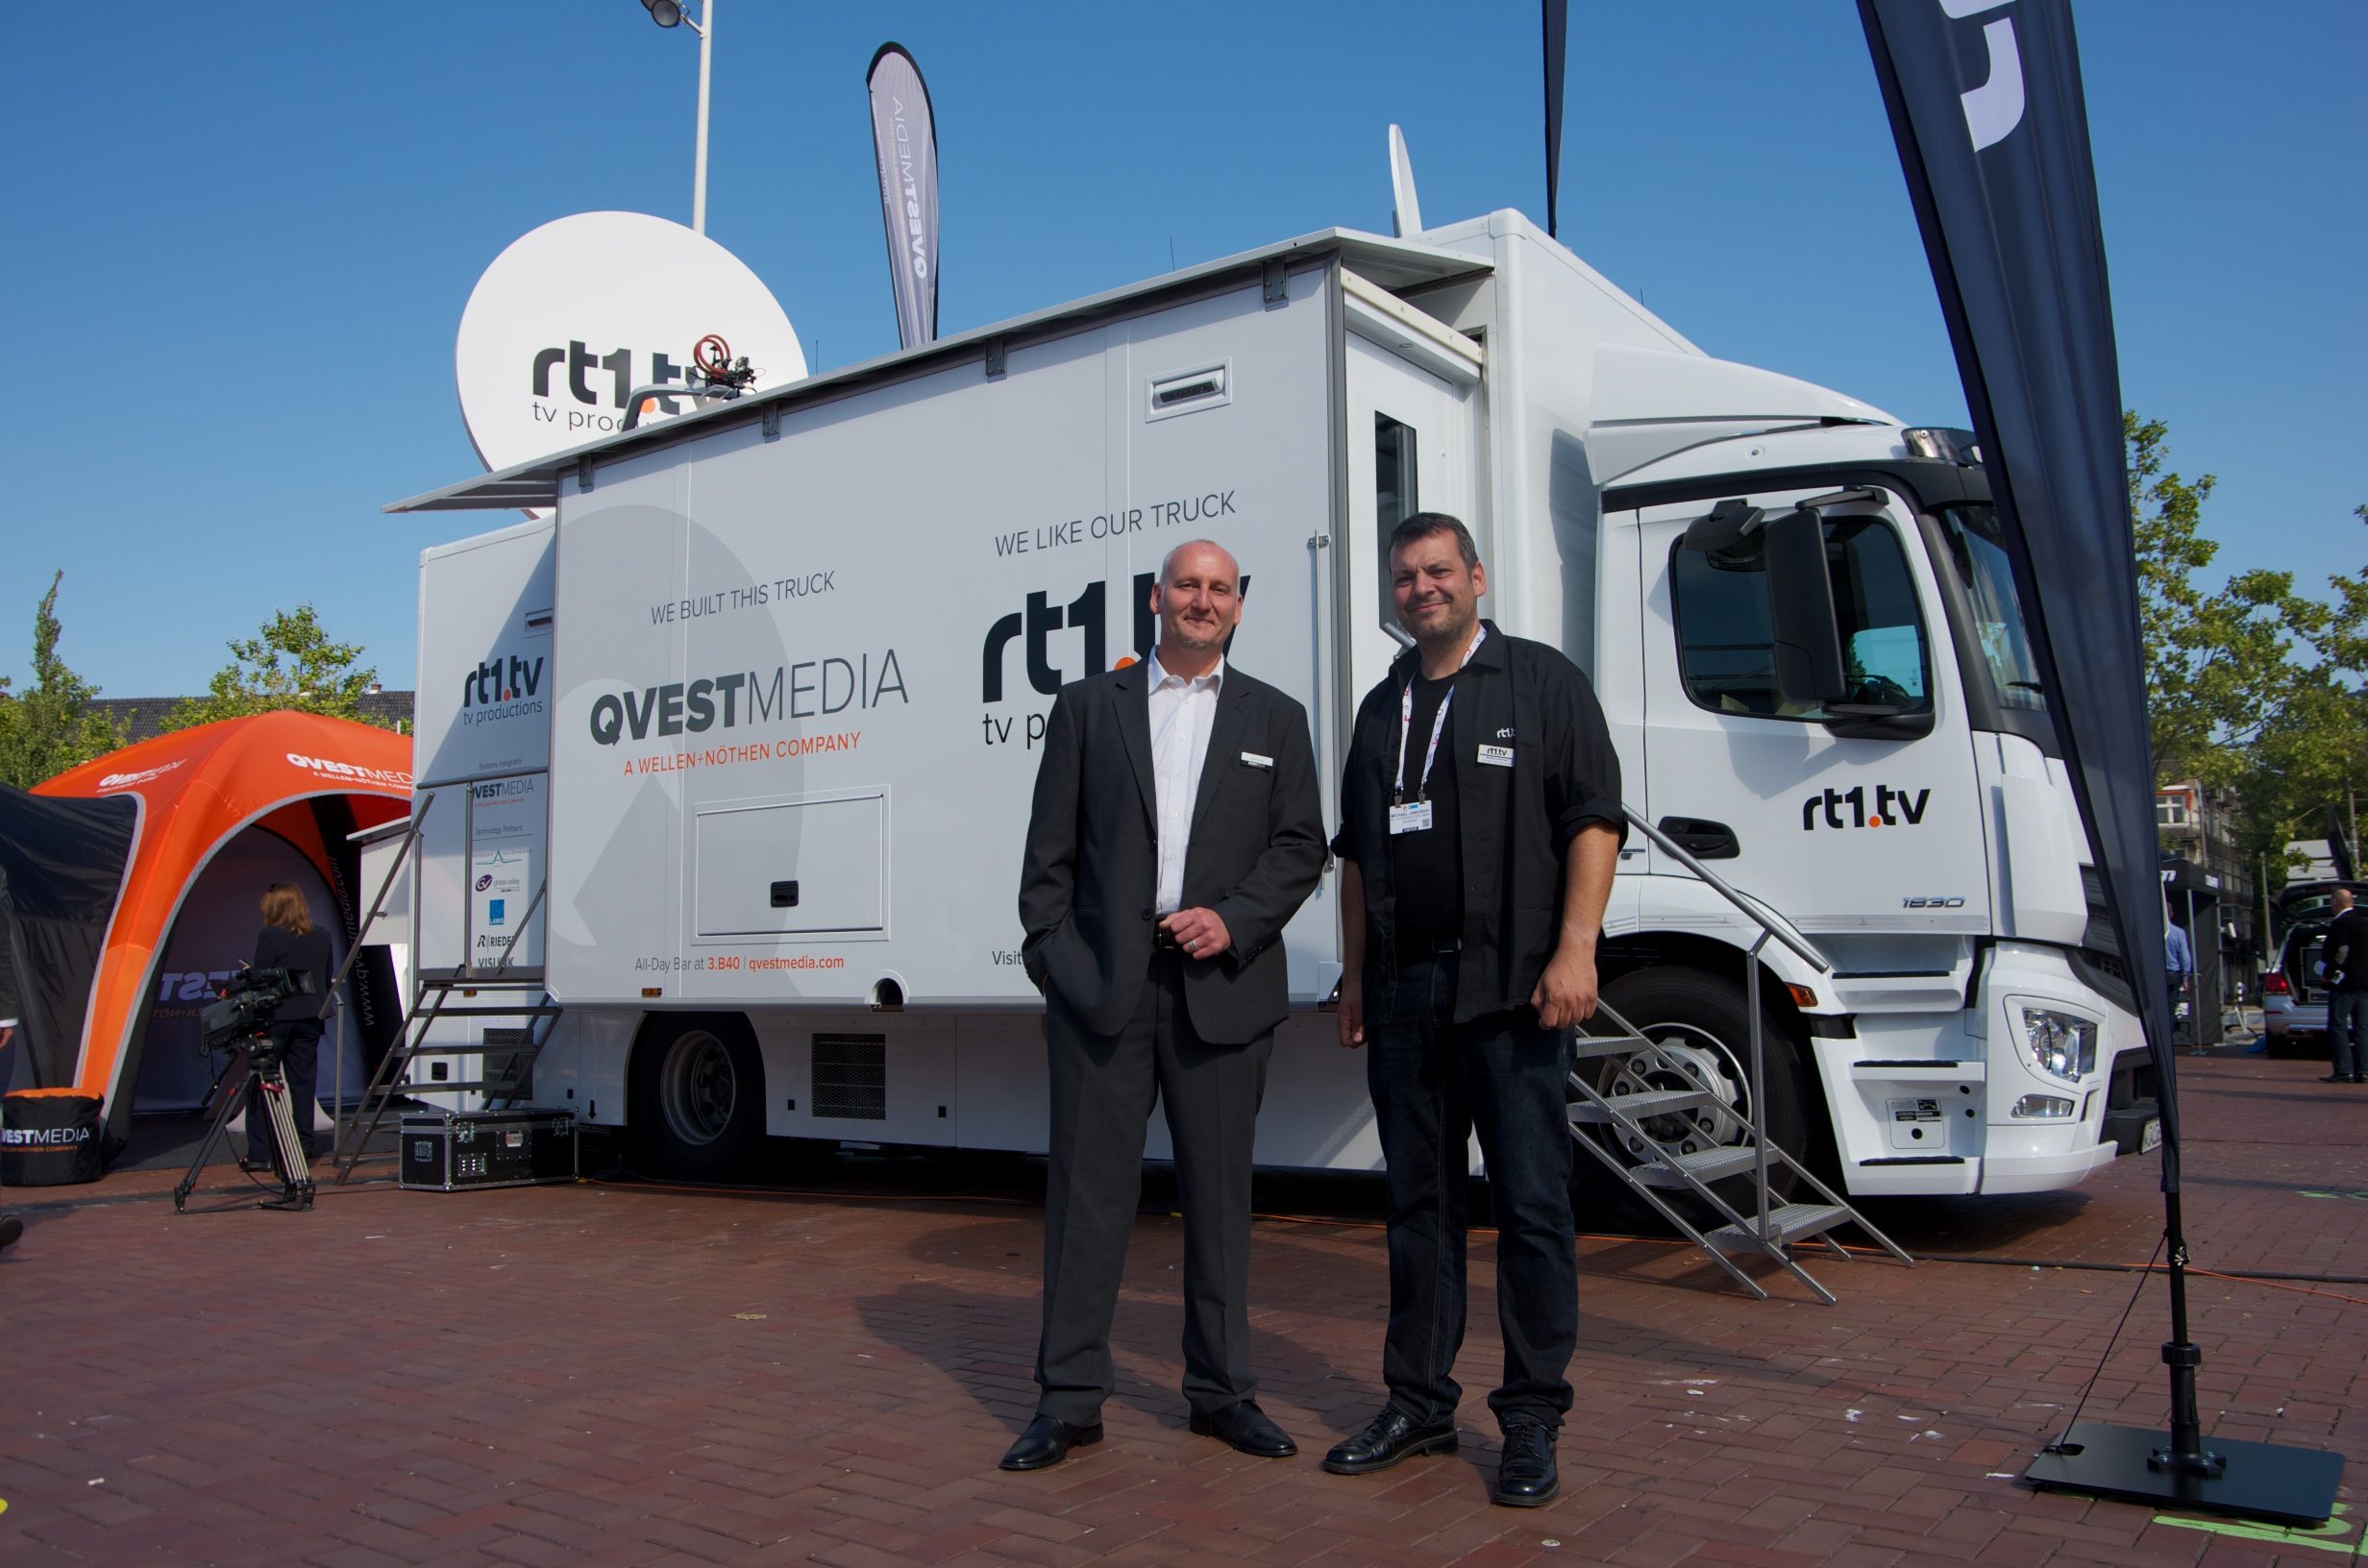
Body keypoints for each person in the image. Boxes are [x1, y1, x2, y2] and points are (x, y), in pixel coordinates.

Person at [1324, 512, 1624, 1508]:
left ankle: (1532, 1418)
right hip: (1406, 994)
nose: (1421, 588)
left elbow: (1592, 820)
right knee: (1419, 1209)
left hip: (1514, 991)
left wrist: (1576, 948)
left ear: (1476, 577)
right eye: (1405, 574)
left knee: (1533, 1207)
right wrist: (1357, 975)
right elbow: (1360, 858)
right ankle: (1417, 1402)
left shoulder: (1542, 684)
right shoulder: (1380, 709)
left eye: (1438, 570)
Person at [1007, 539, 1325, 1472]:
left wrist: (1233, 922)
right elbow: (1046, 864)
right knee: (1085, 1205)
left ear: (1239, 603)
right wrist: (1057, 965)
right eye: (1187, 585)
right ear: (1156, 599)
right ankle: (1068, 1403)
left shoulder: (1277, 716)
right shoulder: (1085, 710)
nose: (1202, 600)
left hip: (1220, 993)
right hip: (1103, 993)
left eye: (1219, 588)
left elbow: (1299, 847)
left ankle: (1222, 1395)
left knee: (1220, 1207)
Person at [247, 883, 333, 1168]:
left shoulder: (270, 936)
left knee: (263, 1081)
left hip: (277, 1017)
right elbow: (325, 976)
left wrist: (250, 974)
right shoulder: (322, 935)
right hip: (311, 1017)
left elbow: (262, 979)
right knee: (303, 1084)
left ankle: (261, 1153)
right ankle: (303, 1145)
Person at [2320, 887, 2368, 1085]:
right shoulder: (2364, 923)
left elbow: (2342, 951)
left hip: (2345, 984)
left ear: (2336, 903)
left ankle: (2343, 1070)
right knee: (2362, 1028)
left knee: (2338, 1025)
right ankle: (2364, 1070)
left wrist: (2329, 974)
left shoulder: (2341, 923)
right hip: (2365, 984)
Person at [2163, 914, 2194, 1047]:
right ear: (2171, 914)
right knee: (2170, 1008)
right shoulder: (2178, 933)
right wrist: (2185, 977)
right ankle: (2167, 1038)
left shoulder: (2152, 931)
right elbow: (2185, 957)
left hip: (2155, 975)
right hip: (2172, 974)